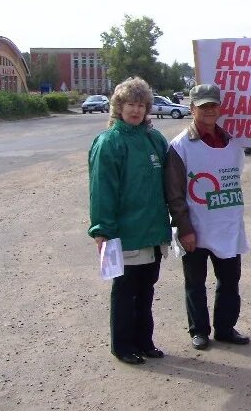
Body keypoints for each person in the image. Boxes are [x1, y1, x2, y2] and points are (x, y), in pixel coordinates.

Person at [87, 77, 171, 365]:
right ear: (118, 107)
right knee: (125, 293)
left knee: (146, 291)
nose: (135, 110)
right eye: (129, 105)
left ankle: (144, 341)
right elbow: (102, 190)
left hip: (152, 232)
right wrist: (102, 231)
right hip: (124, 234)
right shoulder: (110, 142)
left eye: (140, 105)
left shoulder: (154, 139)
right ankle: (123, 346)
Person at [165, 83, 251, 350]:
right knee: (195, 282)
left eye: (213, 105)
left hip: (227, 225)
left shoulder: (231, 142)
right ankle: (199, 330)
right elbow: (174, 193)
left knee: (229, 281)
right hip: (196, 227)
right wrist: (184, 227)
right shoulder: (180, 147)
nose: (209, 110)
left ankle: (225, 328)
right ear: (191, 109)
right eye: (203, 106)